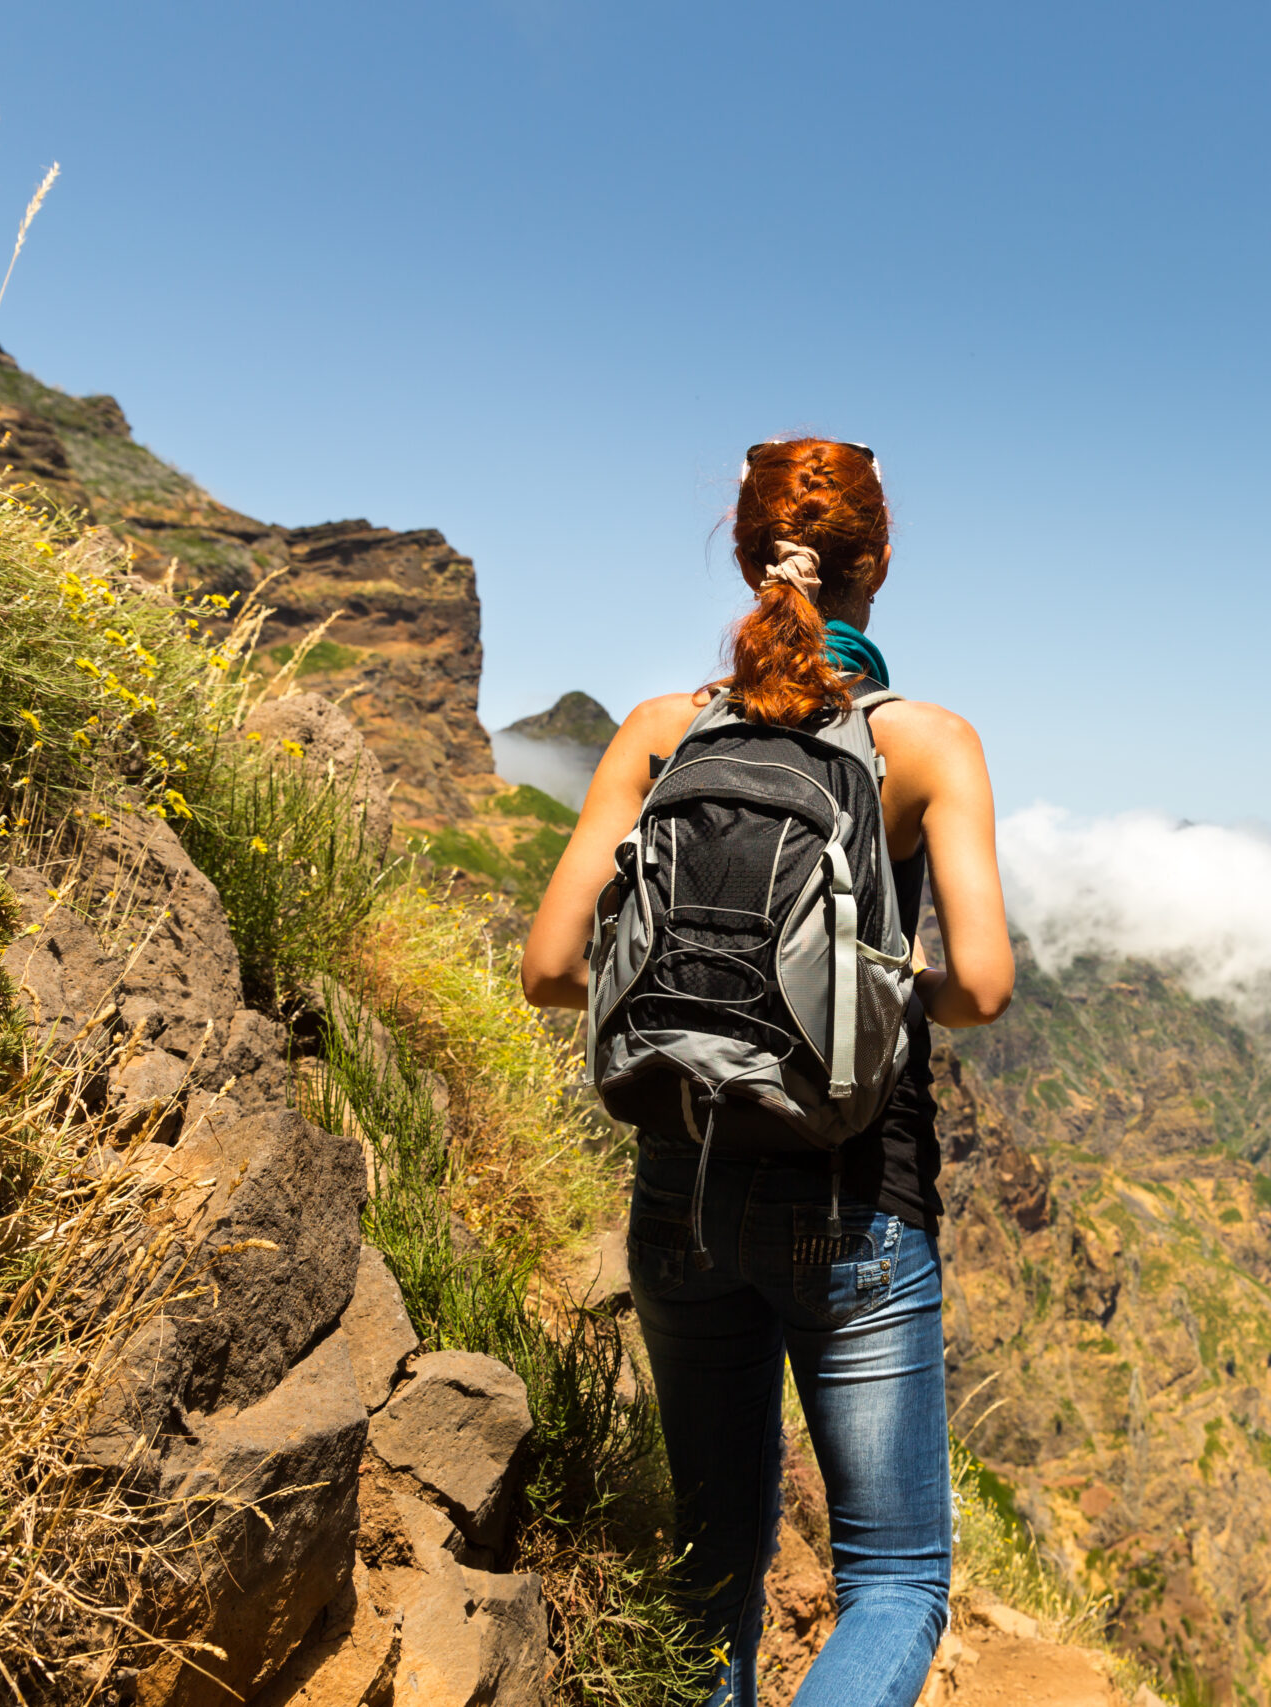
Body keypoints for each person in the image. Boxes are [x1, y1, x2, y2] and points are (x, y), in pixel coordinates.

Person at [520, 437, 1013, 1707]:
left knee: (711, 1567)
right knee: (896, 1580)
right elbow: (982, 989)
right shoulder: (927, 745)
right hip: (855, 1193)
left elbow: (552, 968)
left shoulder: (658, 734)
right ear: (880, 565)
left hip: (678, 1186)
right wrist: (871, 980)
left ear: (749, 558)